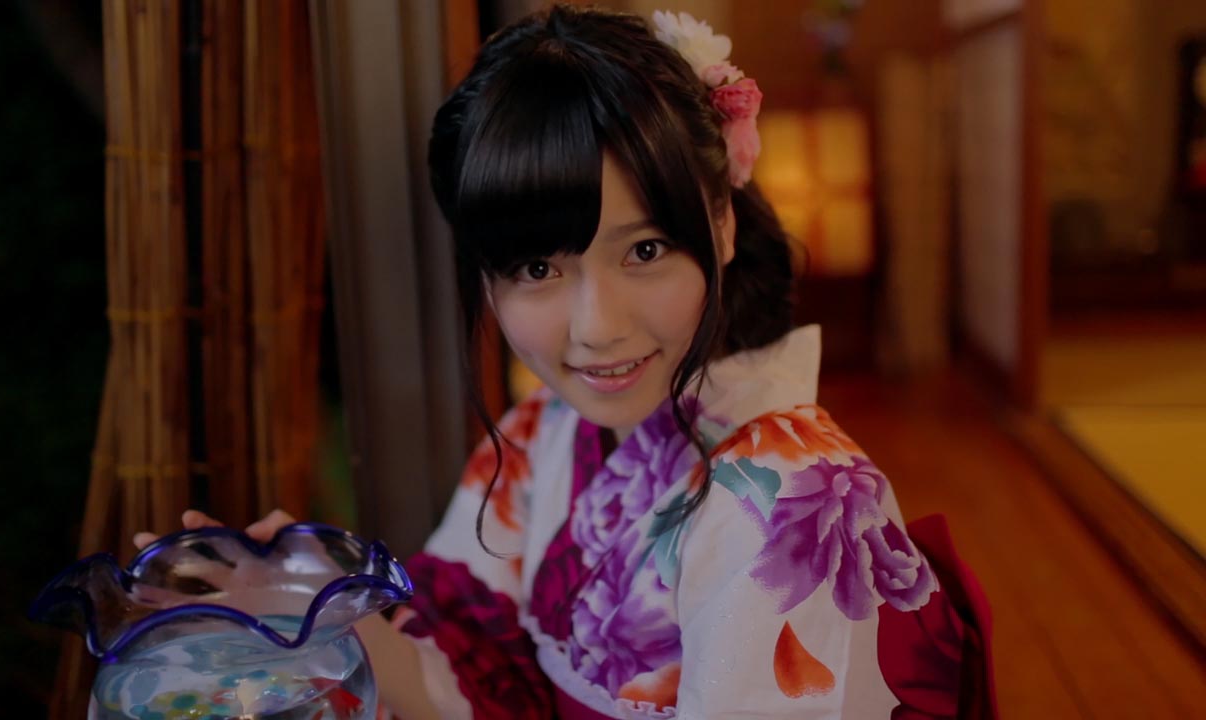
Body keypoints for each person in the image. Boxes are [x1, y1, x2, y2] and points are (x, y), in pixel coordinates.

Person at [138, 5, 978, 718]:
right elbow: (465, 664)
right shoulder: (545, 424)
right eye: (538, 268)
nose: (597, 330)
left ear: (721, 223)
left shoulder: (791, 504)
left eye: (644, 250)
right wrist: (310, 607)